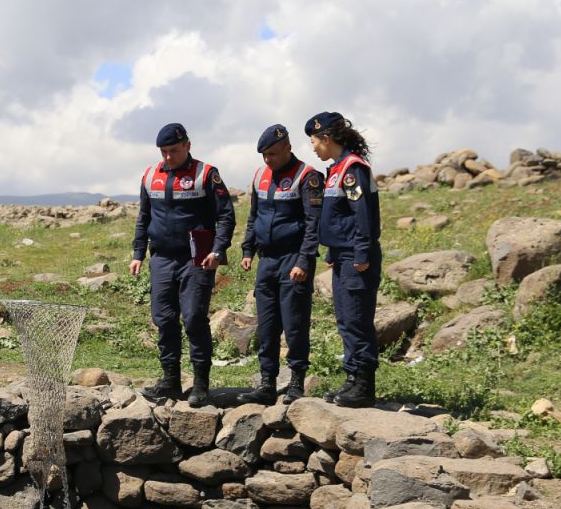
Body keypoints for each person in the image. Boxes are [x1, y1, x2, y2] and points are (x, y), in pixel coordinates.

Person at [130, 123, 236, 406]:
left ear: (187, 145)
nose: (168, 157)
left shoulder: (207, 174)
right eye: (163, 152)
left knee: (193, 318)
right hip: (162, 257)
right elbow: (144, 217)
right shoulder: (151, 176)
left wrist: (218, 248)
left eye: (173, 151)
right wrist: (138, 253)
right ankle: (170, 381)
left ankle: (201, 384)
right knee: (163, 319)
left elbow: (226, 215)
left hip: (196, 258)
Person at [236, 124, 325, 406]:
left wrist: (304, 260)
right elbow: (253, 217)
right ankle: (266, 382)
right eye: (264, 155)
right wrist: (248, 249)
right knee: (268, 324)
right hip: (267, 261)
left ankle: (297, 381)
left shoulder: (308, 177)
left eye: (273, 154)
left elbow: (314, 224)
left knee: (295, 323)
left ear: (287, 147)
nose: (268, 160)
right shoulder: (261, 176)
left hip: (293, 259)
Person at [306, 112, 381, 408]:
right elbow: (338, 216)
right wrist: (332, 251)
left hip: (356, 256)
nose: (312, 147)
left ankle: (363, 385)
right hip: (343, 254)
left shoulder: (352, 169)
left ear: (326, 138)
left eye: (313, 141)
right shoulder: (336, 169)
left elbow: (361, 214)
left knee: (357, 320)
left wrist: (361, 252)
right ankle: (352, 378)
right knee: (345, 320)